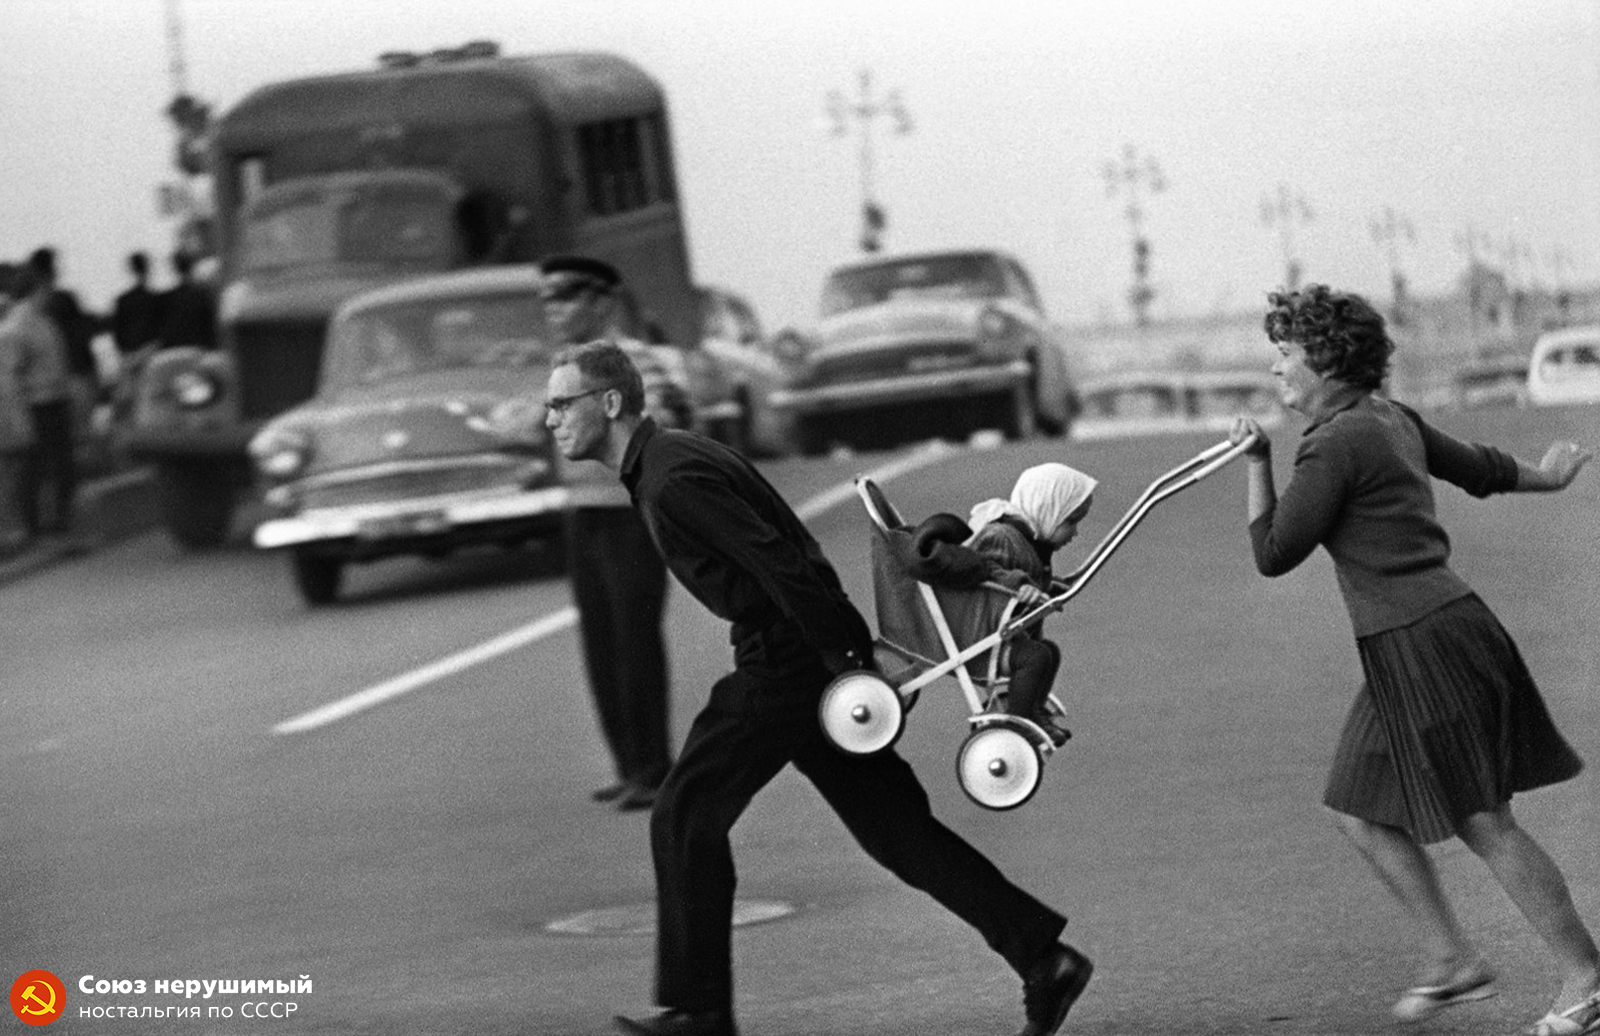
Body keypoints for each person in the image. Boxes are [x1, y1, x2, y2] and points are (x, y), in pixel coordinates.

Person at [544, 340, 1093, 1036]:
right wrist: (844, 660)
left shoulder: (673, 477)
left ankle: (698, 1013)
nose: (550, 419)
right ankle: (1045, 960)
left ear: (610, 402)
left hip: (786, 661)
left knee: (684, 813)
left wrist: (845, 664)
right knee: (896, 830)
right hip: (806, 655)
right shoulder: (673, 458)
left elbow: (779, 564)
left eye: (562, 403)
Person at [1227, 283, 1599, 1036]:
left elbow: (1272, 552)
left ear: (1327, 363)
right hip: (1430, 635)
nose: (1276, 373)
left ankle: (1586, 981)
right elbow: (1482, 468)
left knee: (1484, 819)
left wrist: (1256, 460)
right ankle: (1451, 960)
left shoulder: (1333, 444)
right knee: (1358, 809)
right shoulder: (1387, 419)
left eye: (1284, 357)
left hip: (1423, 641)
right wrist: (1548, 474)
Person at [539, 255, 677, 812]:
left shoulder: (633, 360)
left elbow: (663, 423)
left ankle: (654, 767)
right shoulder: (564, 365)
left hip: (627, 515)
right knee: (600, 643)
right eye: (548, 300)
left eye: (567, 297)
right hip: (583, 513)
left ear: (602, 302)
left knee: (634, 638)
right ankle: (628, 765)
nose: (555, 310)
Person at [897, 462, 1098, 745]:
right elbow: (978, 568)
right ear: (1046, 511)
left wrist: (1044, 587)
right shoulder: (1002, 537)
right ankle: (1017, 727)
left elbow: (1020, 575)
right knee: (1035, 657)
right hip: (978, 637)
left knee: (1048, 652)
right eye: (1070, 522)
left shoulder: (1030, 542)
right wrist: (1018, 585)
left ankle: (1033, 712)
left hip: (997, 633)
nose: (1075, 532)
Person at [3, 262, 77, 540]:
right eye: (47, 290)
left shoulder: (45, 322)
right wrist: (18, 416)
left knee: (63, 466)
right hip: (36, 405)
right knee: (34, 470)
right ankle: (33, 528)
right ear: (37, 289)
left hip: (55, 401)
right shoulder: (16, 328)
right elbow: (10, 376)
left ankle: (58, 523)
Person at [156, 250, 217, 350]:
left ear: (175, 268)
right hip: (197, 350)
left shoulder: (166, 298)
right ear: (192, 267)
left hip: (172, 352)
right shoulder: (202, 296)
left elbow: (162, 333)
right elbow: (210, 329)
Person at [111, 251, 164, 361]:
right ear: (147, 268)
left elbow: (118, 332)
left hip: (131, 354)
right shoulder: (156, 299)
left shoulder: (123, 300)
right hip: (153, 351)